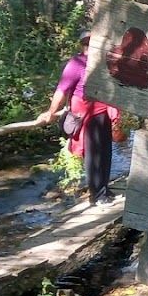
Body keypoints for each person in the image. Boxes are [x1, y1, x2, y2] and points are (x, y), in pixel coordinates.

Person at [38, 34, 120, 205]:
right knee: (93, 155)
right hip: (88, 116)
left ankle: (103, 188)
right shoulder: (76, 64)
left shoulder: (105, 62)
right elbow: (62, 90)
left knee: (105, 153)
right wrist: (51, 112)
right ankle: (97, 194)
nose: (91, 46)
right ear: (84, 45)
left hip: (104, 112)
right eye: (88, 43)